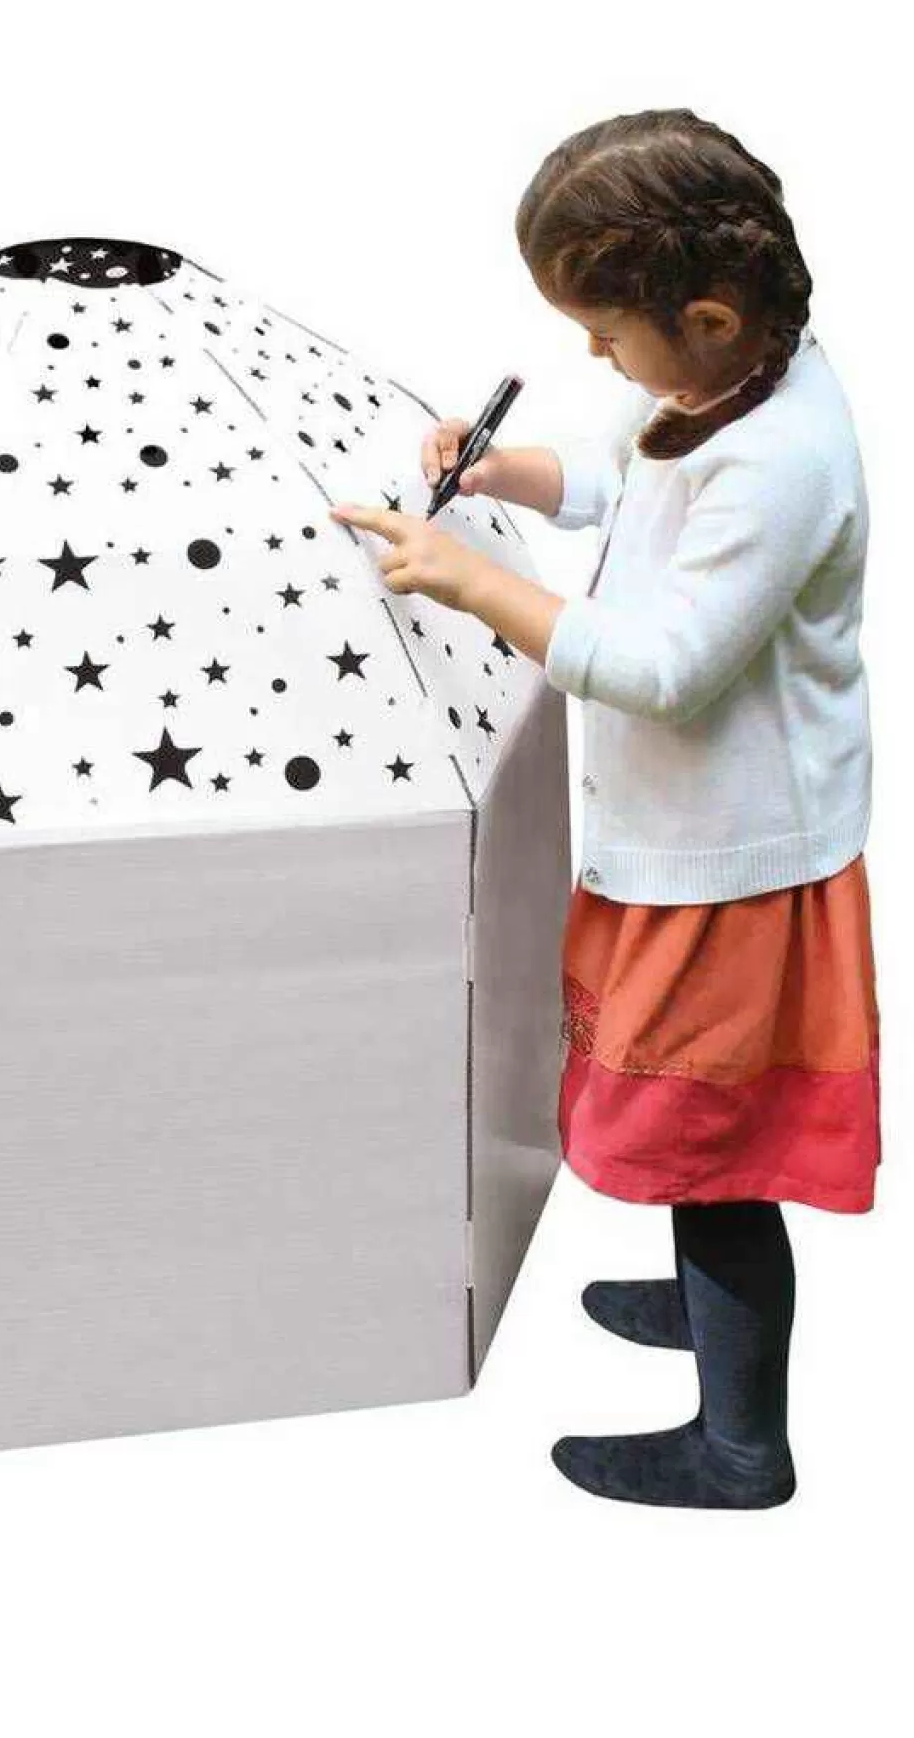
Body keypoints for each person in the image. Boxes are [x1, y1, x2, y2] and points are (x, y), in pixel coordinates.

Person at [330, 108, 877, 1509]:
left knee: (721, 1154)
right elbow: (627, 475)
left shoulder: (783, 459)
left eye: (606, 331)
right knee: (693, 1125)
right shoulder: (722, 385)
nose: (592, 356)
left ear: (709, 318)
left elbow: (661, 670)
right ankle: (704, 1300)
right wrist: (510, 475)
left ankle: (741, 1447)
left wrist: (479, 584)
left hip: (733, 876)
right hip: (684, 852)